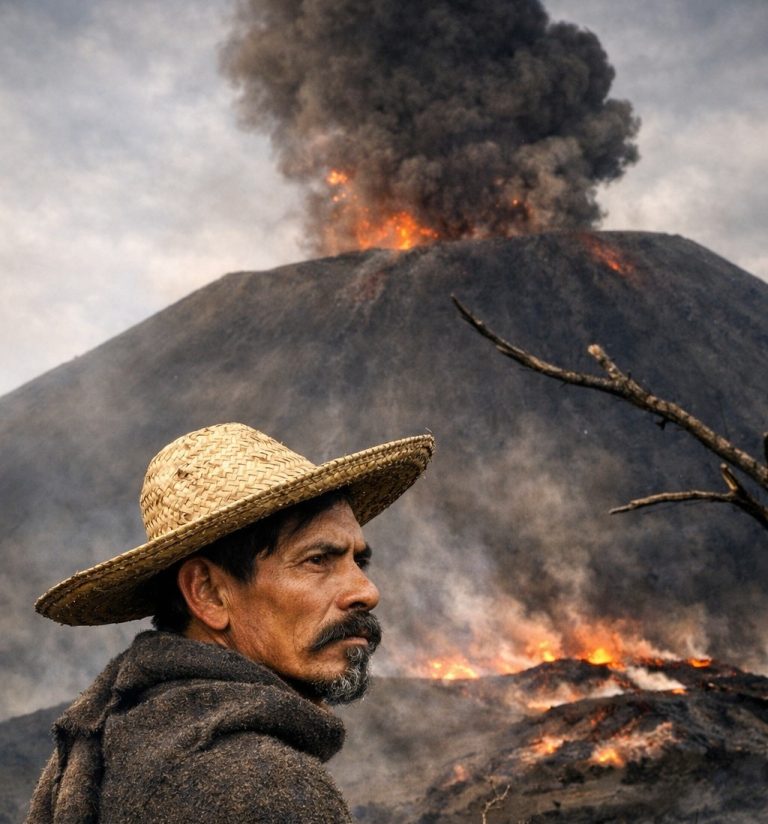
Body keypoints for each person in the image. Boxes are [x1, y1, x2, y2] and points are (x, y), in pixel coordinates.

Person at [27, 422, 434, 823]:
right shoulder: (266, 791)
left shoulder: (121, 742)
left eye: (358, 561)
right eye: (317, 560)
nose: (366, 591)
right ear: (208, 592)